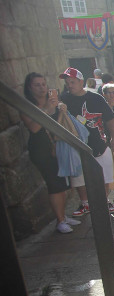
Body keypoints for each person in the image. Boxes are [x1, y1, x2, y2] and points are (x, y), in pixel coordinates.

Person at [20, 72, 81, 233]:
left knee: (62, 185)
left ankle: (63, 216)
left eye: (43, 84)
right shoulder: (27, 106)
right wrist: (47, 109)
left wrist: (60, 108)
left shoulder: (52, 102)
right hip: (41, 150)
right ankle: (60, 221)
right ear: (29, 87)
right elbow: (34, 128)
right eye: (37, 85)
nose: (41, 88)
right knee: (54, 184)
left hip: (58, 147)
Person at [59, 67, 114, 214]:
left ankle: (104, 201)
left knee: (104, 175)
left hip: (99, 142)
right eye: (67, 83)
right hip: (76, 145)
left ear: (81, 82)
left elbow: (110, 119)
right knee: (79, 178)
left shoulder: (96, 98)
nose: (70, 85)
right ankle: (85, 203)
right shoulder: (64, 99)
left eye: (72, 82)